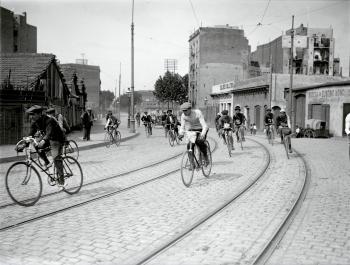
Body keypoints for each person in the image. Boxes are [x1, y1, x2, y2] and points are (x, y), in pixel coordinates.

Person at [26, 105, 66, 188]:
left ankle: (62, 181)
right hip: (49, 139)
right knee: (36, 145)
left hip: (57, 139)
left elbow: (49, 132)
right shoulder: (35, 122)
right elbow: (31, 134)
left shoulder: (49, 120)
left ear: (39, 114)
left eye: (33, 114)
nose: (31, 116)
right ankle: (47, 162)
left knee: (56, 157)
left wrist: (43, 140)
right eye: (30, 114)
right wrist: (24, 143)